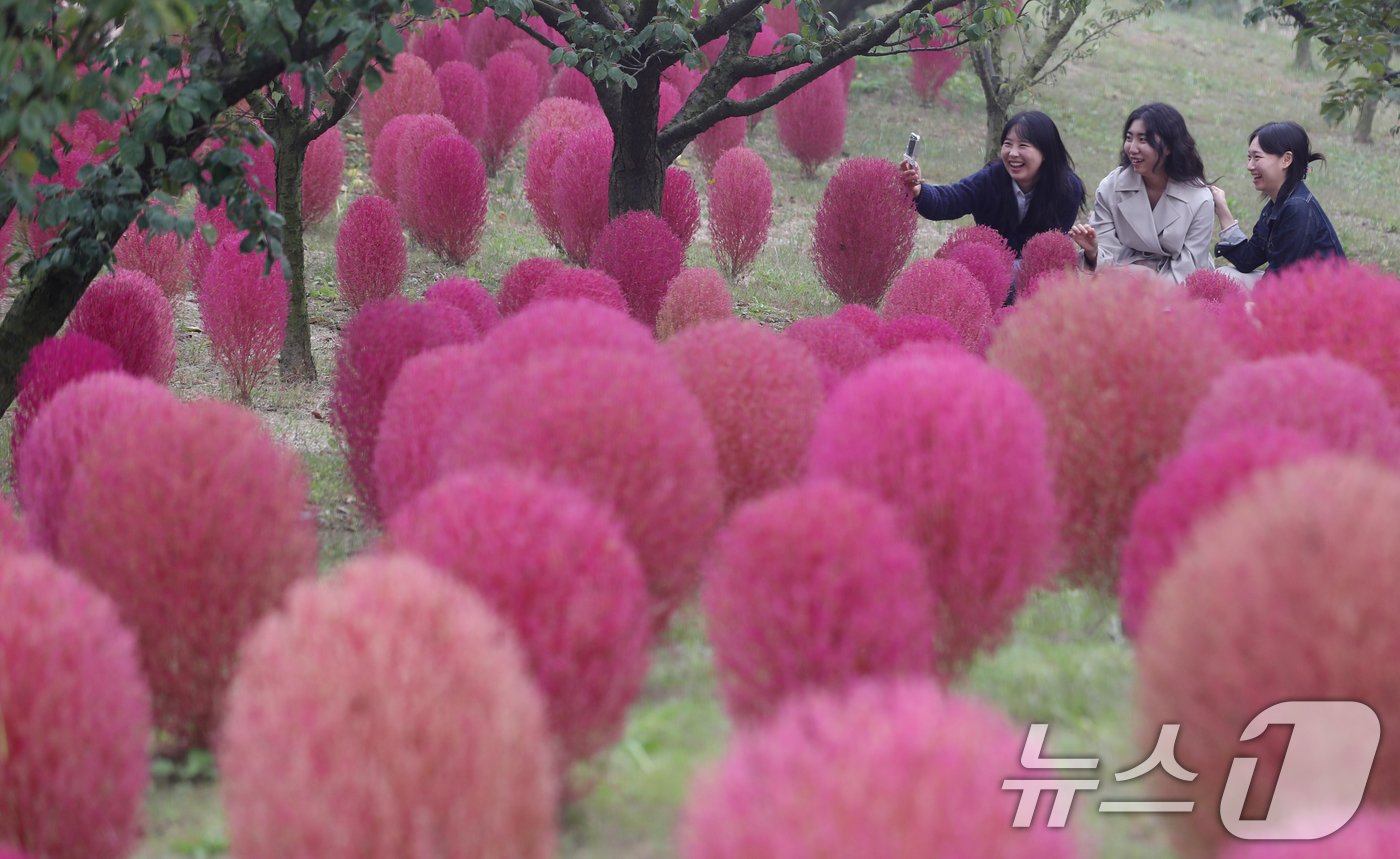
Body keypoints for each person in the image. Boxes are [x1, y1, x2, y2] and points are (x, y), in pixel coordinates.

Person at [898, 110, 1085, 303]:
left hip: (1035, 285)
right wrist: (919, 191)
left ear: (1045, 152)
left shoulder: (1067, 189)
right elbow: (950, 199)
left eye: (1023, 146)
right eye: (1007, 144)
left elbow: (1051, 250)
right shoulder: (991, 179)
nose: (1013, 153)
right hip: (989, 274)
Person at [1069, 103, 1215, 284]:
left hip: (1176, 287)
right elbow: (1106, 255)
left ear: (1169, 147)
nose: (1132, 148)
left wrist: (1149, 289)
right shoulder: (1111, 187)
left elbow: (1189, 269)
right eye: (1129, 138)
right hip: (1121, 279)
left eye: (1143, 140)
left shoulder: (1199, 199)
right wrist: (1093, 252)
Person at [1210, 120, 1344, 286]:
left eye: (1257, 157)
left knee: (1230, 288)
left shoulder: (1297, 209)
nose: (1249, 166)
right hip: (1296, 290)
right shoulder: (1277, 204)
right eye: (1249, 157)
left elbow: (1278, 283)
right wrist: (1222, 210)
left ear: (1286, 159)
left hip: (1320, 301)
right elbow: (1247, 260)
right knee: (1224, 277)